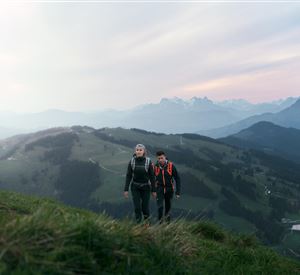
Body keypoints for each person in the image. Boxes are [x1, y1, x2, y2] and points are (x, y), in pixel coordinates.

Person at [124, 144, 156, 224]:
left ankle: (147, 225)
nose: (138, 151)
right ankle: (138, 225)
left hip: (146, 187)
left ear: (144, 151)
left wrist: (154, 190)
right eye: (137, 150)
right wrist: (126, 189)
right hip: (135, 187)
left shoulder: (148, 161)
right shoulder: (132, 161)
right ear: (135, 151)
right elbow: (128, 176)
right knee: (137, 208)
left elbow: (152, 177)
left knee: (145, 208)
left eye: (140, 150)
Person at [154, 151, 181, 223]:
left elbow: (177, 178)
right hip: (159, 189)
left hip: (169, 189)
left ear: (165, 157)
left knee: (168, 208)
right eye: (159, 158)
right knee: (160, 207)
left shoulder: (171, 166)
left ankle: (168, 225)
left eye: (162, 158)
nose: (160, 160)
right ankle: (160, 224)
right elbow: (151, 178)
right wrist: (153, 190)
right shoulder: (155, 167)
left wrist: (178, 192)